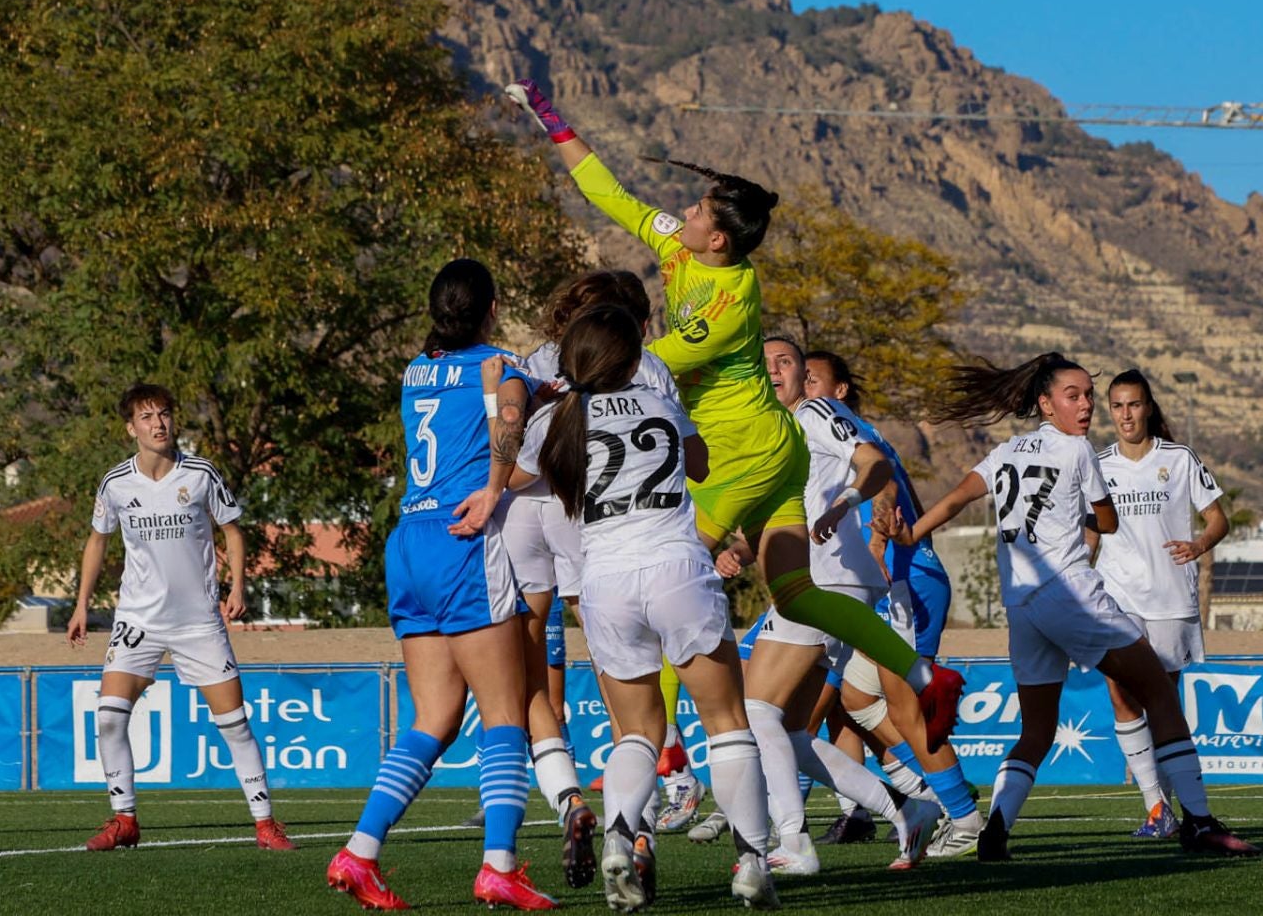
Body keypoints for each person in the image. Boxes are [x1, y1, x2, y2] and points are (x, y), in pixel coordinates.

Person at [504, 79, 964, 745]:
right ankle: (924, 678)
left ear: (717, 239)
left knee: (668, 571)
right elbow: (612, 196)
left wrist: (553, 377)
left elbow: (636, 357)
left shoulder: (727, 304)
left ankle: (662, 759)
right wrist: (553, 122)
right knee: (797, 594)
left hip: (743, 450)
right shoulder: (686, 248)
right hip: (776, 450)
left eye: (694, 211)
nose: (681, 214)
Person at [884, 353, 1257, 861]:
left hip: (1021, 608)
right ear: (1045, 402)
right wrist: (1095, 514)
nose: (1085, 406)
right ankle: (1198, 821)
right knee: (1159, 692)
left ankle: (994, 832)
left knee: (1036, 730)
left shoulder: (1006, 451)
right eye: (1074, 396)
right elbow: (1106, 521)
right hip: (1070, 594)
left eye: (1087, 396)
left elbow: (953, 501)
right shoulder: (1079, 451)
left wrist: (910, 533)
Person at [524, 303, 777, 911]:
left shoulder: (556, 418)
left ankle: (618, 835)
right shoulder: (661, 403)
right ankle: (751, 862)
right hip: (676, 567)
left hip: (605, 579)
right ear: (633, 357)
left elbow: (519, 480)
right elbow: (700, 465)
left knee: (637, 732)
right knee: (726, 722)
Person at [325, 259, 555, 912]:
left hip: (409, 544)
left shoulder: (415, 371)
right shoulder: (500, 366)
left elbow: (500, 398)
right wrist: (491, 489)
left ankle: (360, 853)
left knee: (434, 717)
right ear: (490, 308)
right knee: (506, 711)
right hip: (461, 539)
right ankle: (500, 866)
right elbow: (507, 413)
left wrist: (534, 388)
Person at [741, 336, 944, 874]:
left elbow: (875, 464)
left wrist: (845, 504)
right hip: (818, 580)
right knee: (789, 730)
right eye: (765, 364)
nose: (775, 371)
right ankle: (908, 810)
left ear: (805, 374)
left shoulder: (814, 411)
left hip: (826, 581)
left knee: (756, 709)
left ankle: (793, 842)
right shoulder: (770, 428)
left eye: (786, 362)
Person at [67, 383, 295, 854]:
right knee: (109, 718)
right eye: (147, 417)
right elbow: (97, 541)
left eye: (165, 414)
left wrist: (237, 585)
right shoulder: (115, 484)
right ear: (131, 428)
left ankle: (266, 823)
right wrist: (81, 603)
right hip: (138, 618)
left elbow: (232, 531)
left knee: (234, 723)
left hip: (197, 622)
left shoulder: (201, 473)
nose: (159, 423)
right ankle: (125, 820)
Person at [800, 351, 960, 847]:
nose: (803, 386)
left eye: (811, 378)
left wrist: (875, 541)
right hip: (874, 579)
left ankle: (954, 809)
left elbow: (885, 480)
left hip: (903, 578)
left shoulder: (841, 425)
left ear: (840, 390)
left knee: (844, 703)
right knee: (843, 703)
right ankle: (873, 807)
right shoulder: (815, 433)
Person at [1092, 369, 1230, 839]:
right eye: (1117, 406)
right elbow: (1091, 532)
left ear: (1148, 407)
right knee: (1120, 690)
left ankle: (1184, 808)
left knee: (1164, 700)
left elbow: (1218, 519)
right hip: (1116, 593)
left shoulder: (1179, 458)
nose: (1125, 415)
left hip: (1169, 594)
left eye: (1133, 405)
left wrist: (1198, 544)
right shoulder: (1099, 464)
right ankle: (1156, 808)